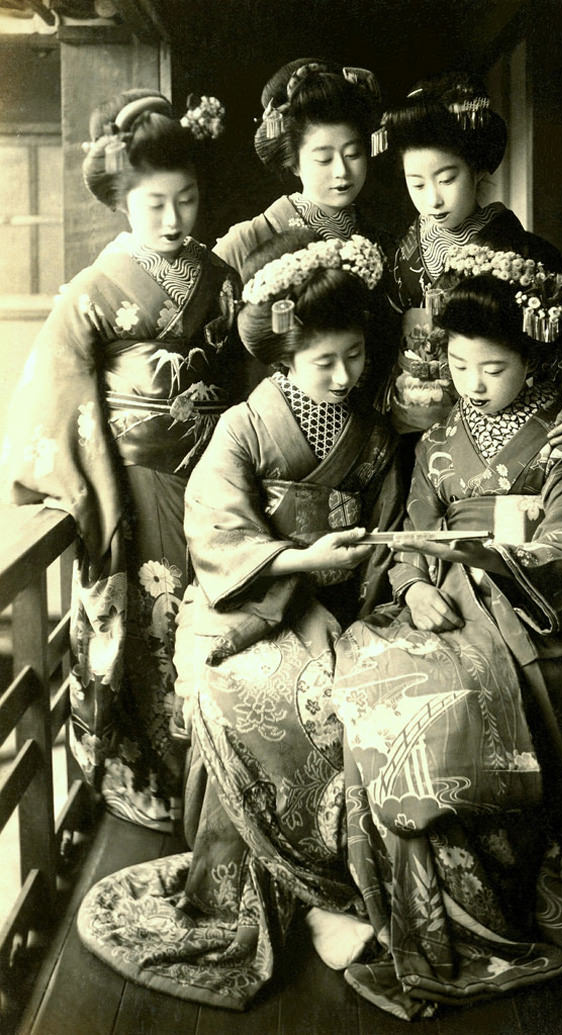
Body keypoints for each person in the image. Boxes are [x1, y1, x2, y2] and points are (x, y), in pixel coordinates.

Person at [76, 230, 405, 1008]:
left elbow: (385, 532)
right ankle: (267, 901)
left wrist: (339, 595)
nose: (342, 375)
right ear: (285, 355)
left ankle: (336, 893)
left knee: (352, 697)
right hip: (243, 605)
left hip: (342, 603)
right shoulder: (245, 427)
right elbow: (218, 535)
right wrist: (299, 573)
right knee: (248, 699)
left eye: (355, 355)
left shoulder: (375, 433)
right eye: (323, 360)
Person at [330, 253, 562, 1020]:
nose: (472, 382)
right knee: (385, 685)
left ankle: (489, 890)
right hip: (445, 605)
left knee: (458, 700)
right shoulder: (436, 441)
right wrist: (418, 586)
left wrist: (481, 578)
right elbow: (409, 534)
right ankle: (416, 889)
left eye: (492, 367)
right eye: (460, 363)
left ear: (530, 361)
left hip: (531, 616)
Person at [1, 89, 241, 830]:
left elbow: (242, 381)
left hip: (217, 475)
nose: (174, 221)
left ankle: (219, 781)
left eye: (188, 201)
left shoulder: (220, 279)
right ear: (123, 203)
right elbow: (58, 388)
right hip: (133, 485)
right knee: (141, 632)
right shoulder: (92, 290)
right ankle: (148, 781)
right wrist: (91, 481)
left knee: (215, 626)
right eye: (155, 205)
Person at [373, 73, 562, 449]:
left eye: (447, 179)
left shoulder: (523, 255)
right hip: (411, 427)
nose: (433, 200)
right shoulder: (403, 252)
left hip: (498, 426)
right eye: (417, 183)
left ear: (477, 170)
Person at [214, 58, 398, 399]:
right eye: (324, 159)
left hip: (367, 422)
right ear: (293, 161)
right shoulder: (249, 239)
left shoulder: (380, 242)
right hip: (275, 424)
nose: (342, 172)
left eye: (353, 154)